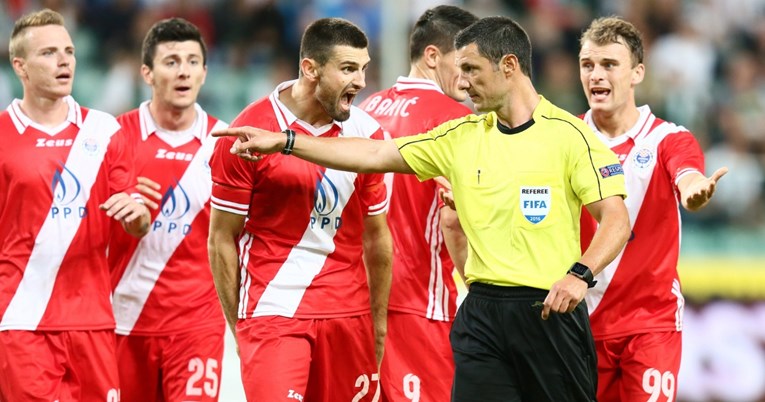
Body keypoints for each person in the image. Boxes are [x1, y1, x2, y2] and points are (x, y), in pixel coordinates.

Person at [215, 16, 632, 402]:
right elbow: (375, 152)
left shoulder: (571, 136)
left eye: (471, 70)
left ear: (508, 66)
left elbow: (615, 218)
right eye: (461, 70)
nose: (462, 83)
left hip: (548, 312)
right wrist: (287, 141)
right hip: (482, 314)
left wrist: (581, 274)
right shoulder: (461, 135)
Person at [207, 17, 392, 401]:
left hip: (348, 315)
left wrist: (377, 326)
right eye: (347, 68)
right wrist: (238, 325)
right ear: (310, 68)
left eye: (363, 68)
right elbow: (221, 238)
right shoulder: (248, 132)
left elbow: (377, 238)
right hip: (274, 312)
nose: (360, 81)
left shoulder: (370, 134)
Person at [0, 8, 150, 401]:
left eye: (68, 51)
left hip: (93, 320)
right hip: (22, 319)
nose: (64, 60)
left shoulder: (104, 131)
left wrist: (139, 215)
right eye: (49, 53)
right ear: (21, 67)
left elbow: (133, 213)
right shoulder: (1, 136)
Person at [577, 16, 728, 402]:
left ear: (637, 73)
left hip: (649, 324)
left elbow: (687, 173)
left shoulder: (667, 138)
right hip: (580, 324)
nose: (596, 75)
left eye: (609, 65)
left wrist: (694, 189)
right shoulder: (566, 139)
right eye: (588, 65)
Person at [357, 5, 477, 402]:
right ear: (432, 56)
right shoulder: (458, 121)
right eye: (464, 64)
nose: (471, 77)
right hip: (419, 303)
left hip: (358, 300)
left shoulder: (366, 110)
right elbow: (453, 220)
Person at [108, 17, 227, 402]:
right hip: (124, 321)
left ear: (206, 74)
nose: (183, 71)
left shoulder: (223, 143)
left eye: (193, 61)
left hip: (198, 325)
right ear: (147, 72)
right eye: (171, 61)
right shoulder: (113, 137)